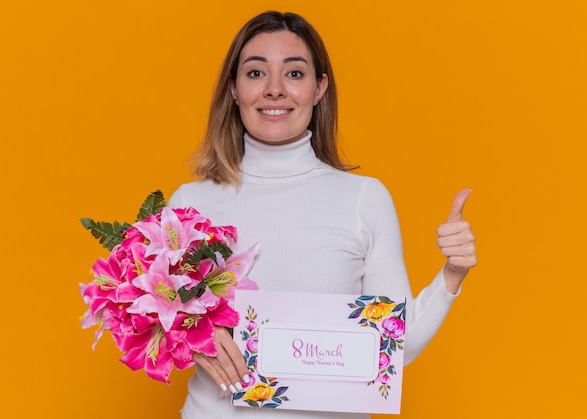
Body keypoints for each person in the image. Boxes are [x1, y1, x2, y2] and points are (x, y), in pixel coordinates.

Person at [168, 10, 476, 419]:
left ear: (319, 88)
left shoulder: (363, 199)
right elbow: (140, 318)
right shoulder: (189, 204)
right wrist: (190, 335)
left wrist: (451, 276)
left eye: (294, 74)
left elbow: (392, 350)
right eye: (256, 73)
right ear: (234, 89)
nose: (274, 90)